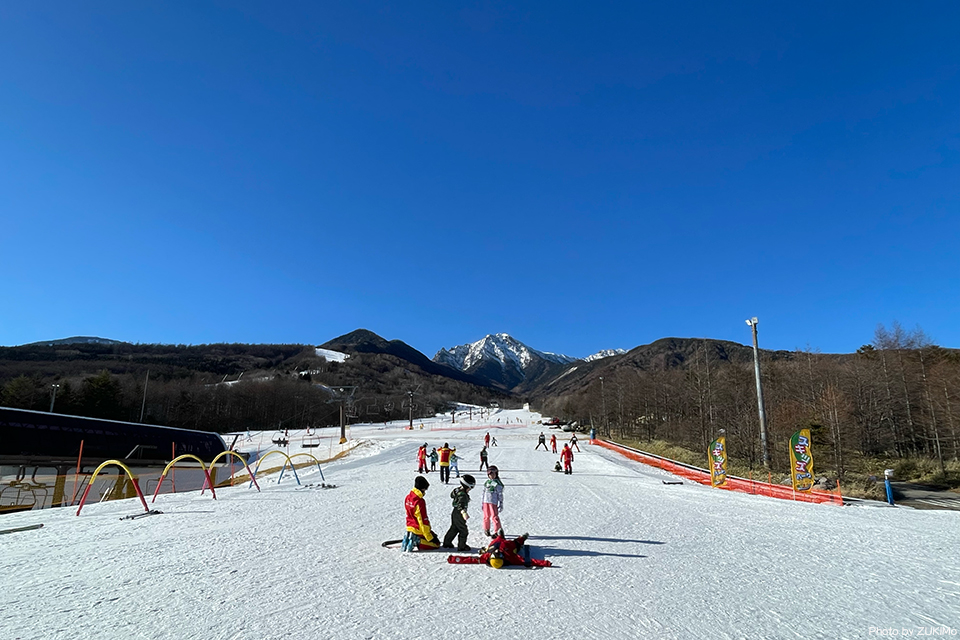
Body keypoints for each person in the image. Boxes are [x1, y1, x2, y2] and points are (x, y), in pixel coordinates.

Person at [403, 476, 439, 551]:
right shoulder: (420, 502)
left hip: (409, 526)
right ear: (422, 488)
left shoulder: (408, 497)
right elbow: (422, 520)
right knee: (436, 544)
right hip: (418, 529)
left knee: (433, 536)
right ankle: (417, 540)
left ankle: (409, 537)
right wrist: (429, 537)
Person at [442, 474, 476, 551]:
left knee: (454, 528)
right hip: (459, 513)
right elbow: (461, 504)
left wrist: (456, 490)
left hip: (455, 512)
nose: (469, 490)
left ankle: (447, 542)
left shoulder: (458, 490)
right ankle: (462, 546)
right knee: (463, 530)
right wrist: (463, 512)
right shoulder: (462, 495)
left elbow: (452, 495)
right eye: (470, 488)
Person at [480, 532, 551, 568]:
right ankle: (522, 538)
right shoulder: (511, 558)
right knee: (517, 543)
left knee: (495, 543)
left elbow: (474, 559)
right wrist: (545, 563)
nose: (497, 551)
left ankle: (500, 536)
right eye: (499, 555)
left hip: (496, 542)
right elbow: (526, 561)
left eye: (495, 554)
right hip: (511, 545)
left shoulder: (486, 556)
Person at [481, 465, 504, 538]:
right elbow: (483, 492)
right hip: (486, 501)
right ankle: (486, 529)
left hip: (493, 502)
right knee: (486, 516)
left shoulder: (497, 483)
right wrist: (482, 502)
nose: (491, 476)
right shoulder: (487, 482)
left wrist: (500, 503)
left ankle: (497, 531)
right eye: (489, 474)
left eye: (493, 474)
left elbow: (500, 494)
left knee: (494, 516)